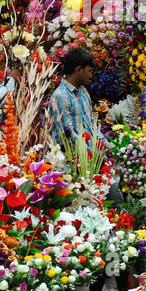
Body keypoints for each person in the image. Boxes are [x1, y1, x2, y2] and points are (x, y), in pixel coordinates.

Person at [46, 47, 123, 204]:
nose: (91, 75)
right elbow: (66, 136)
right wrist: (92, 154)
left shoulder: (83, 92)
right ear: (78, 70)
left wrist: (107, 146)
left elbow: (92, 126)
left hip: (93, 161)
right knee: (112, 197)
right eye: (89, 71)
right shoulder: (60, 97)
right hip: (75, 167)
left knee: (115, 196)